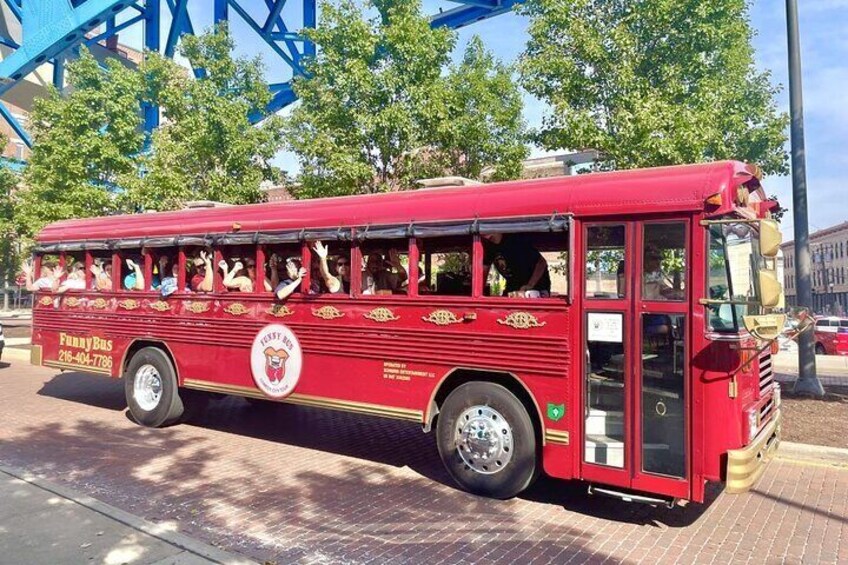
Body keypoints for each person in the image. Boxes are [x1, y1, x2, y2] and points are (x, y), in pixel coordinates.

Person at [482, 233, 551, 297]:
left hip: (536, 286)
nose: (484, 232)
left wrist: (529, 285)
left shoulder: (516, 240)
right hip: (513, 285)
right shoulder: (489, 247)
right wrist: (480, 291)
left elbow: (541, 262)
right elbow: (484, 269)